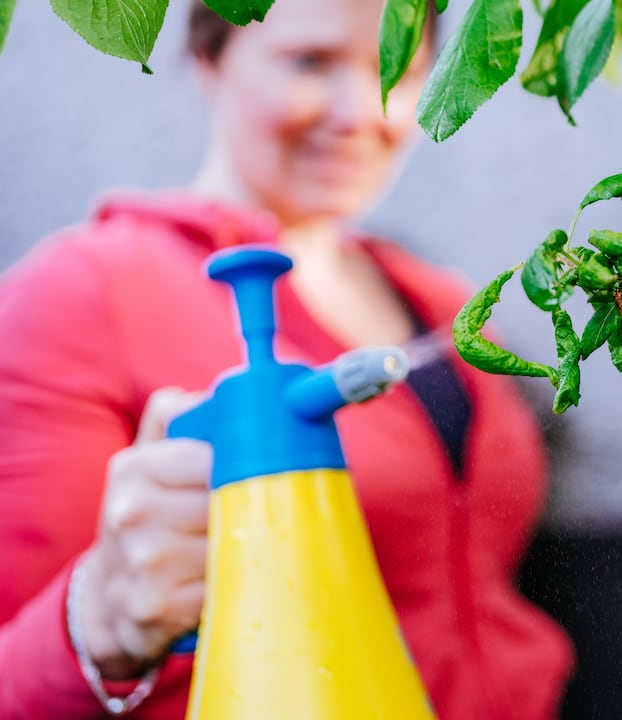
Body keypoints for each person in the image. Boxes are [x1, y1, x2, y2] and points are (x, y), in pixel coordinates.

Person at [0, 0, 573, 717]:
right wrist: (105, 618)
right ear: (209, 58)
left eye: (396, 67)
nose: (362, 110)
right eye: (311, 63)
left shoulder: (439, 299)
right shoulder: (83, 292)